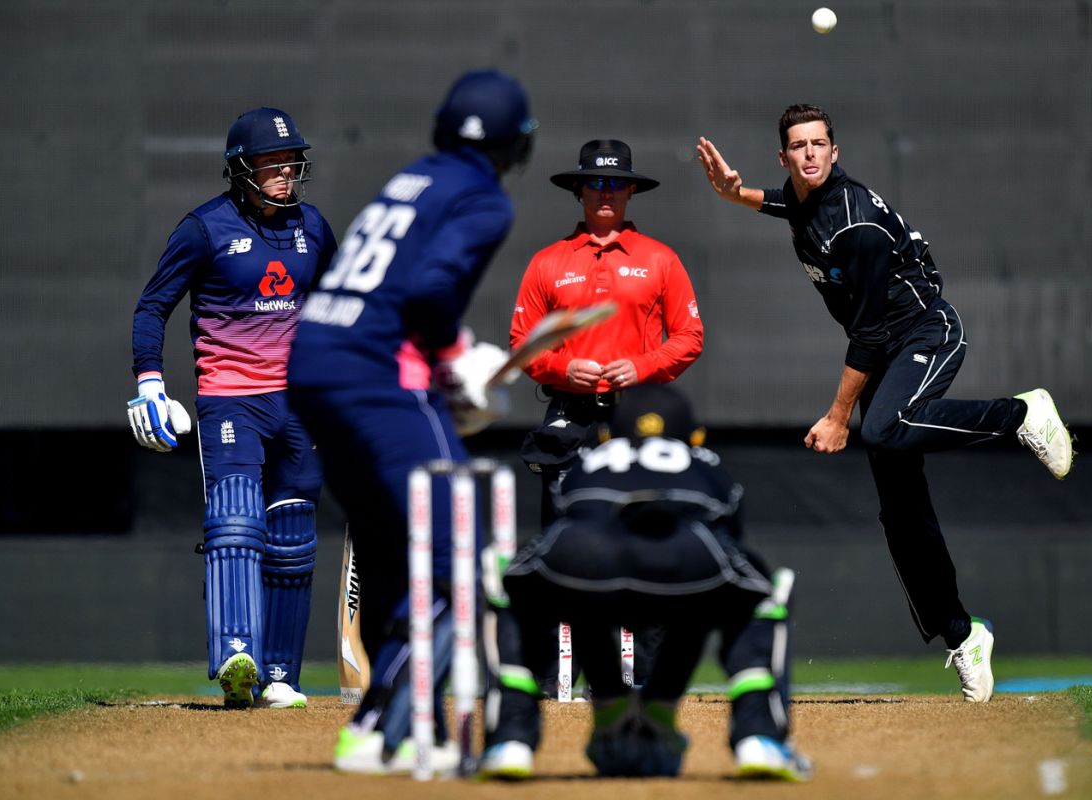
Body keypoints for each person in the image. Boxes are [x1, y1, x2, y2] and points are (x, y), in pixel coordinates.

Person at [696, 104, 1074, 703]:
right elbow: (786, 203)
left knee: (883, 428)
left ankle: (1022, 415)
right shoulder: (807, 198)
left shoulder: (856, 224)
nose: (810, 153)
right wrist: (735, 193)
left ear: (835, 151)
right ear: (784, 156)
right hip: (888, 352)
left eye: (819, 144)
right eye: (799, 146)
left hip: (925, 332)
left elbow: (869, 333)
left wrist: (837, 416)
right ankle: (963, 634)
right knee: (900, 509)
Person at [286, 69, 537, 775]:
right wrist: (460, 361)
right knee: (466, 557)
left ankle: (406, 725)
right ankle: (383, 727)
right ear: (517, 144)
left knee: (391, 553)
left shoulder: (412, 179)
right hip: (376, 374)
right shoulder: (483, 198)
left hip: (311, 361)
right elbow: (429, 294)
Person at [478, 384, 812, 781]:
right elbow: (730, 526)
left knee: (517, 593)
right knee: (756, 596)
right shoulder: (704, 459)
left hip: (582, 555)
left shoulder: (590, 458)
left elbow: (565, 509)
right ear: (695, 436)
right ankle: (758, 737)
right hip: (684, 558)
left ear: (607, 434)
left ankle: (511, 741)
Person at [128, 108, 337, 709]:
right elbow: (152, 306)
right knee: (236, 521)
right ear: (241, 168)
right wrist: (150, 383)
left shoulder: (314, 227)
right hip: (231, 400)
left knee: (293, 535)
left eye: (291, 161)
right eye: (272, 162)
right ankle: (235, 656)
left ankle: (281, 675)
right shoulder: (204, 228)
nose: (286, 171)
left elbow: (343, 303)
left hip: (299, 403)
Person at [511, 139, 705, 527]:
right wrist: (564, 369)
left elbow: (690, 335)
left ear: (631, 190)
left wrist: (642, 367)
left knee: (644, 522)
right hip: (570, 413)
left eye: (615, 183)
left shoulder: (661, 258)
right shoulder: (546, 262)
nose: (606, 192)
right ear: (578, 189)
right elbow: (522, 344)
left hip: (640, 411)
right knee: (565, 525)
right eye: (596, 182)